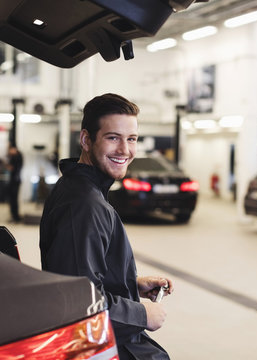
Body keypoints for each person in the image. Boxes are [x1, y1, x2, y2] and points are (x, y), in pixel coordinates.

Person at [39, 93, 174, 359]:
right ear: (86, 140)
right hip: (103, 348)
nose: (125, 150)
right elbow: (77, 300)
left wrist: (131, 285)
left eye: (131, 139)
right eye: (113, 138)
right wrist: (141, 314)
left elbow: (80, 274)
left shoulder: (79, 189)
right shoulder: (84, 205)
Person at [6, 145, 23, 222]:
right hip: (14, 180)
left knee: (14, 200)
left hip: (15, 181)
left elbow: (12, 168)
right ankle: (14, 216)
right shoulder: (16, 157)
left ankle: (15, 217)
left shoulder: (17, 157)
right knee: (12, 200)